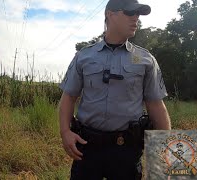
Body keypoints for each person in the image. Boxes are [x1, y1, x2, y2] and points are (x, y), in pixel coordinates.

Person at [58, 0, 171, 179]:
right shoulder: (83, 57)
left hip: (127, 150)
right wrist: (65, 132)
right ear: (110, 14)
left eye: (138, 14)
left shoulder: (146, 59)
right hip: (87, 147)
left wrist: (164, 150)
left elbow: (156, 105)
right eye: (130, 13)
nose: (136, 18)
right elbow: (68, 97)